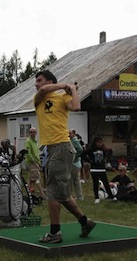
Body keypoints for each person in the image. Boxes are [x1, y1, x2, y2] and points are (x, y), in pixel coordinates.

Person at [34, 70, 95, 243]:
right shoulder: (39, 98)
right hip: (52, 149)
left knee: (53, 192)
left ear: (49, 81)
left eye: (40, 80)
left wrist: (73, 90)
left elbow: (76, 106)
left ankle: (55, 233)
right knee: (62, 193)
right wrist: (65, 86)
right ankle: (85, 222)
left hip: (61, 146)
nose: (36, 84)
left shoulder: (62, 99)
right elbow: (42, 91)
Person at [84, 136, 115, 203]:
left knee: (106, 183)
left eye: (101, 142)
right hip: (94, 169)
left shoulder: (103, 149)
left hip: (102, 169)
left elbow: (108, 153)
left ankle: (111, 196)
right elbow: (83, 154)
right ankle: (97, 197)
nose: (100, 144)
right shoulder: (91, 149)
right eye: (98, 142)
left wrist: (106, 160)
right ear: (95, 142)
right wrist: (90, 161)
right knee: (95, 183)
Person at [24, 127, 45, 198]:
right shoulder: (28, 141)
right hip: (31, 162)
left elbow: (36, 152)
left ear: (36, 133)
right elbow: (28, 153)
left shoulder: (35, 141)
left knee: (31, 179)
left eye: (34, 132)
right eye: (31, 132)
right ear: (29, 133)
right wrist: (34, 161)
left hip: (36, 161)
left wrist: (38, 162)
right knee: (36, 177)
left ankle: (29, 193)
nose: (32, 133)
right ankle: (42, 194)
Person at [69, 129, 83, 200]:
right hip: (74, 162)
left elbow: (80, 149)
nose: (69, 135)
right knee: (74, 179)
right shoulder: (72, 140)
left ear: (74, 134)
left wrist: (74, 157)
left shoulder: (75, 141)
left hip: (74, 163)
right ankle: (77, 195)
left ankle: (78, 196)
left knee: (74, 179)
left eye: (70, 133)